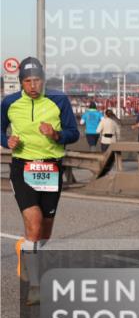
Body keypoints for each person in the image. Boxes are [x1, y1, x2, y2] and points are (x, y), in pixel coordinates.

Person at [1, 57, 80, 305]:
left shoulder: (59, 100)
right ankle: (36, 285)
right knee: (34, 224)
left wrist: (56, 134)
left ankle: (25, 249)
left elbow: (73, 133)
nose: (33, 85)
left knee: (43, 233)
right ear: (21, 83)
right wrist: (7, 142)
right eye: (27, 81)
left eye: (37, 80)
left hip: (51, 167)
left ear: (43, 80)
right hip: (23, 167)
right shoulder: (9, 102)